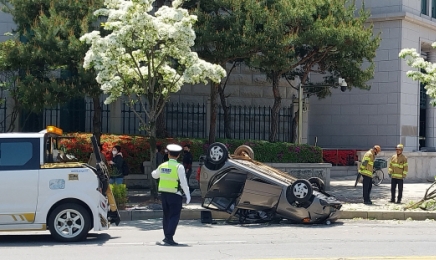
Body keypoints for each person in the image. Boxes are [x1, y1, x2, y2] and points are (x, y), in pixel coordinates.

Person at [151, 144, 191, 246]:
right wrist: (188, 195)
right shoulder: (179, 167)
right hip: (175, 195)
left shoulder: (163, 165)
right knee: (174, 216)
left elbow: (154, 175)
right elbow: (183, 182)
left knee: (166, 216)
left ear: (168, 155)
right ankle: (169, 237)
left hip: (164, 195)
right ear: (178, 156)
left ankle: (166, 236)